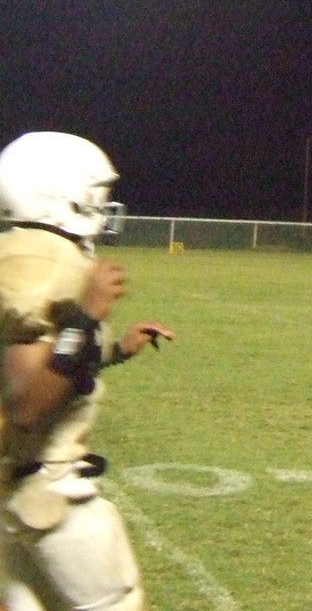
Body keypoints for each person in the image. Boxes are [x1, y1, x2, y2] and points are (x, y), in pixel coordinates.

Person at [0, 131, 175, 610]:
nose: (105, 205)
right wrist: (88, 316)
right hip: (46, 487)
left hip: (19, 482)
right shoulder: (37, 261)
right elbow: (27, 403)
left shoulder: (38, 251)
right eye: (97, 194)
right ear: (59, 195)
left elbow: (56, 360)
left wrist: (115, 349)